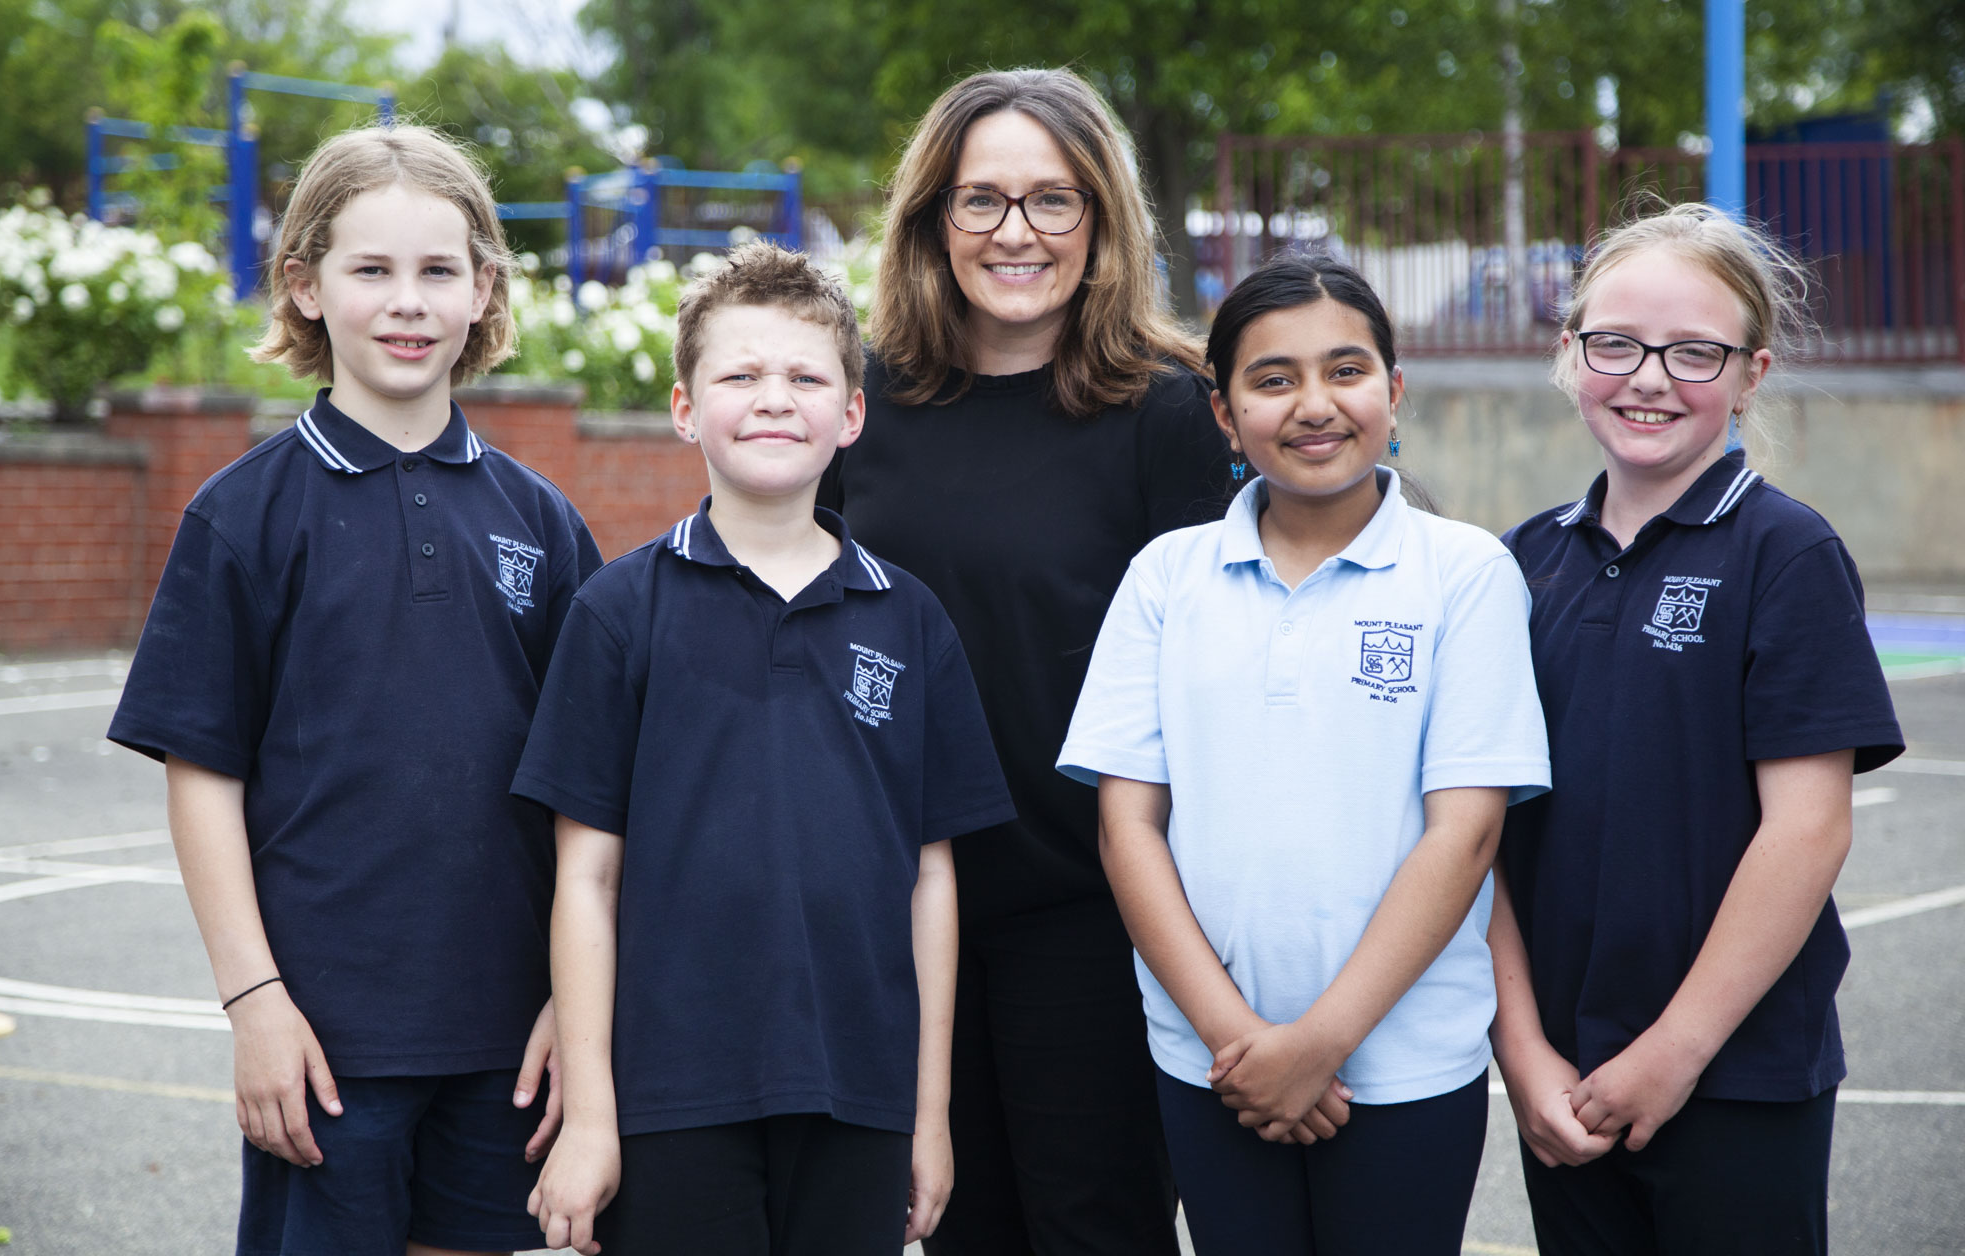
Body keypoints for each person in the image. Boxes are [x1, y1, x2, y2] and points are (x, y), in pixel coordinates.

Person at [106, 124, 602, 1256]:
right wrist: (254, 1001)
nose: (406, 300)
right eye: (370, 269)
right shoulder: (240, 517)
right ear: (305, 285)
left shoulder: (543, 523)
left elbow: (594, 792)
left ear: (484, 288)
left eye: (438, 270)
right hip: (324, 1037)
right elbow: (202, 778)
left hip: (509, 1036)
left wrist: (577, 1005)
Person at [514, 241, 1015, 1256]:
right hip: (671, 1097)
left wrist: (927, 1115)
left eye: (804, 376)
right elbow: (586, 880)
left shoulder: (908, 619)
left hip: (861, 1096)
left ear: (852, 413)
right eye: (739, 375)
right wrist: (596, 1115)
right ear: (685, 407)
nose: (773, 399)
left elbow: (931, 879)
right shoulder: (617, 612)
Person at [1055, 252, 1551, 1256]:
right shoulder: (1164, 577)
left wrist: (1314, 1045)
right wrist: (1242, 1045)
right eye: (1271, 379)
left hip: (1404, 1063)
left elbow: (1464, 835)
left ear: (1393, 390)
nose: (1312, 403)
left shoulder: (1464, 574)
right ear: (1223, 414)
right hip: (1211, 1064)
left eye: (1344, 369)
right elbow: (1126, 826)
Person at [816, 66, 1234, 1256]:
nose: (1015, 232)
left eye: (1052, 201)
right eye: (980, 199)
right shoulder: (867, 399)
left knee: (1093, 1227)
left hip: (1092, 912)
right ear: (930, 219)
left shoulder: (1165, 411)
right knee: (944, 1230)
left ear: (1100, 220)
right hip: (897, 903)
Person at [1491, 202, 1905, 1256]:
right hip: (1562, 1079)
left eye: (1692, 352)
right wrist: (1521, 1048)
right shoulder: (1518, 563)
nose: (1646, 376)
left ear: (1750, 371)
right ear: (1568, 351)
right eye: (1614, 342)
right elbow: (1474, 830)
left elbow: (1804, 829)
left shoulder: (1785, 551)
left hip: (1732, 1071)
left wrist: (1675, 1048)